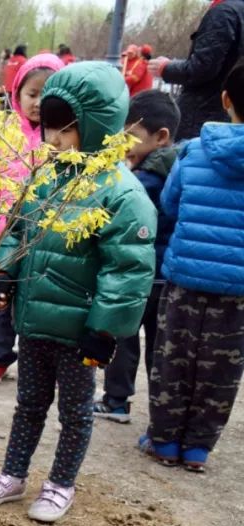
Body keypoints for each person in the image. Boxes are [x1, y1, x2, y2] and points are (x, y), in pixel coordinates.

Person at [0, 62, 157, 523]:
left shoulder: (121, 194)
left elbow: (128, 269)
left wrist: (105, 329)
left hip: (80, 330)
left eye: (65, 130)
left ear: (95, 126)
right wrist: (2, 276)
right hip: (35, 321)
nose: (53, 139)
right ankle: (13, 474)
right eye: (49, 127)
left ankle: (60, 484)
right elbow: (16, 231)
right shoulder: (45, 178)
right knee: (29, 404)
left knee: (74, 412)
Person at [140, 60, 244, 472]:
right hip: (237, 290)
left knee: (173, 359)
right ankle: (198, 448)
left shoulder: (196, 149)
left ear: (225, 100)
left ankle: (164, 442)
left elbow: (169, 203)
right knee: (221, 366)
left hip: (183, 278)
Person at [94, 90, 180, 423]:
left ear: (161, 138)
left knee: (125, 338)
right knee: (161, 348)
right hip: (165, 276)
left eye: (130, 137)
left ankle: (116, 401)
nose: (123, 144)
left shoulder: (144, 180)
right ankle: (162, 413)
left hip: (141, 274)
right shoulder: (177, 169)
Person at [0, 52, 65, 386]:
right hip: (5, 235)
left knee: (38, 299)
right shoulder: (6, 134)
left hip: (45, 237)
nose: (39, 103)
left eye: (48, 95)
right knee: (0, 297)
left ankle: (40, 361)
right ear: (17, 95)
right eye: (32, 94)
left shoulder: (64, 138)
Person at [150, 0, 244, 139]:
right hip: (231, 118)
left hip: (203, 120)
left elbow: (203, 67)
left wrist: (166, 68)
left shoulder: (224, 12)